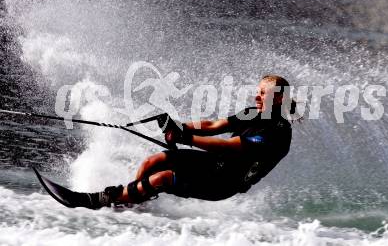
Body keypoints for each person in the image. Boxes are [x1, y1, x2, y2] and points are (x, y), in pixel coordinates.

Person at [83, 75, 297, 209]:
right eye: (258, 92)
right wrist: (181, 127)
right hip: (215, 163)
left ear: (278, 98)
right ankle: (130, 203)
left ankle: (104, 199)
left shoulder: (278, 131)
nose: (257, 97)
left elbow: (229, 147)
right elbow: (214, 126)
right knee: (153, 162)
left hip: (224, 183)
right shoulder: (252, 114)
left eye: (263, 93)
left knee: (163, 178)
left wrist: (186, 138)